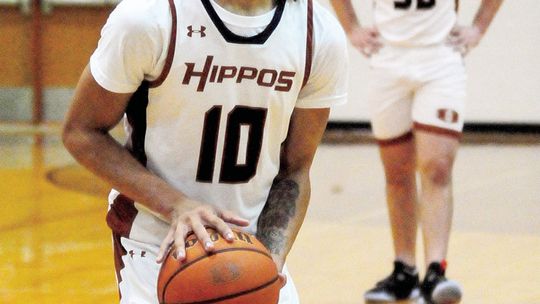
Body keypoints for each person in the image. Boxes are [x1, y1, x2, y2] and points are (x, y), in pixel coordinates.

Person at [62, 0, 348, 302]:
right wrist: (176, 205)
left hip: (252, 247)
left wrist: (269, 259)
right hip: (157, 247)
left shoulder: (317, 33)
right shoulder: (148, 17)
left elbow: (296, 169)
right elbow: (81, 132)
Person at [330, 0, 503, 303]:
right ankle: (404, 271)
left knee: (437, 168)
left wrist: (478, 28)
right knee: (397, 173)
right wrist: (352, 28)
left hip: (440, 59)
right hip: (388, 61)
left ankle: (436, 270)